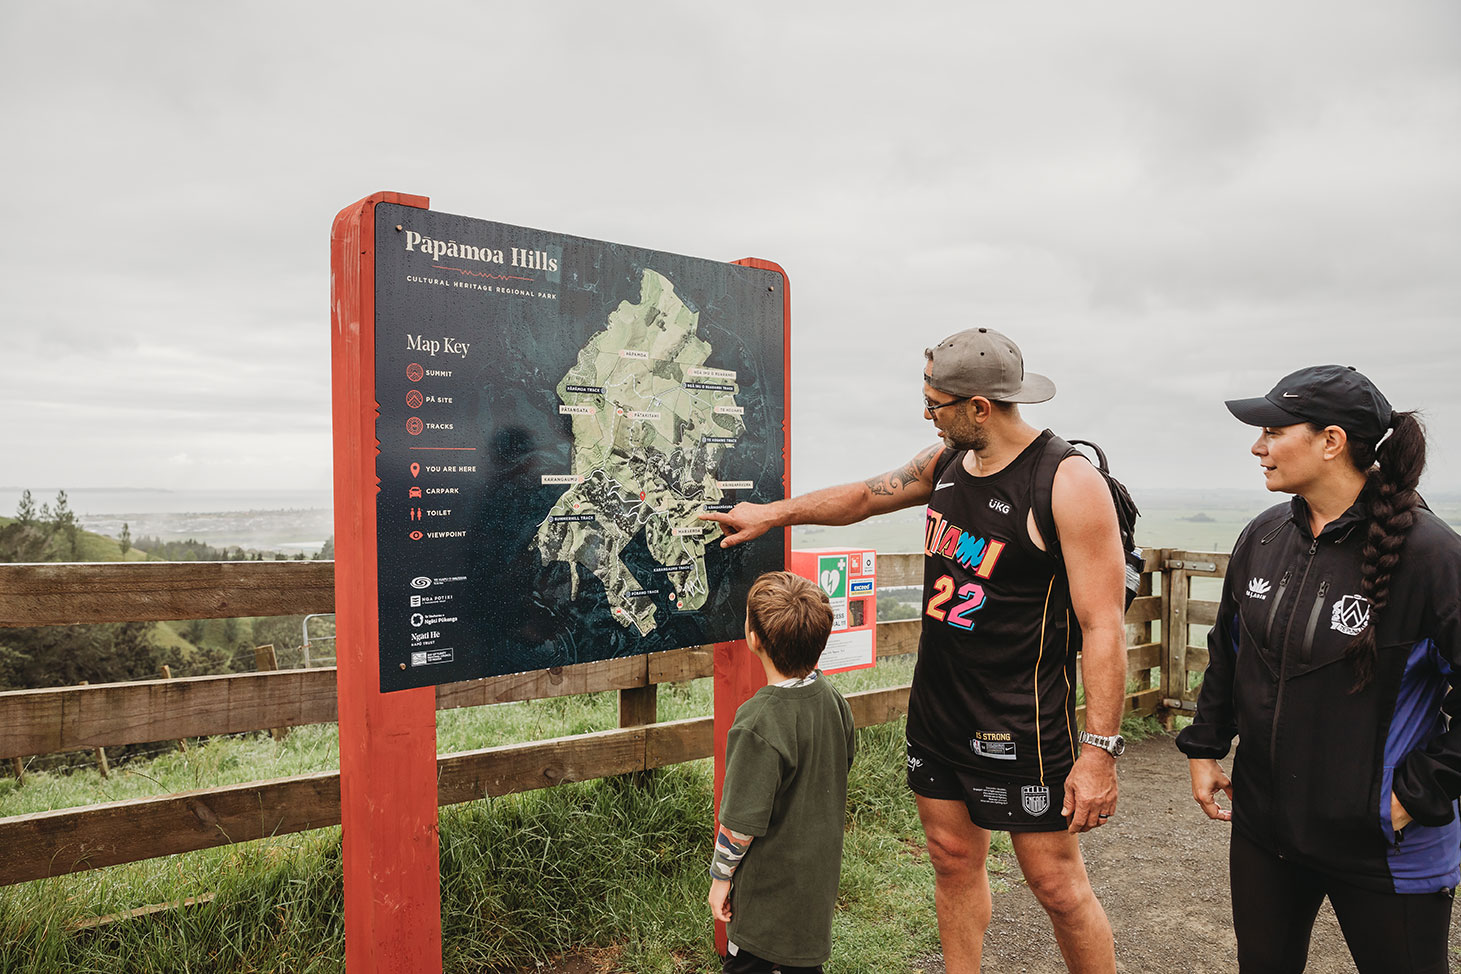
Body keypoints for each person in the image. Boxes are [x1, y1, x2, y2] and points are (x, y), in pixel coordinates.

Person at [701, 327, 1125, 974]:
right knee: (951, 860)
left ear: (978, 406)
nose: (926, 413)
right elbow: (863, 498)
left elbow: (1102, 627)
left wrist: (1097, 753)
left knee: (1057, 887)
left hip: (1021, 720)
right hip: (938, 709)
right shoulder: (945, 462)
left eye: (935, 402)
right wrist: (772, 514)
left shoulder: (1064, 483)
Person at [1176, 365, 1460, 973]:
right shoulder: (1263, 536)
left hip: (1384, 844)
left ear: (1331, 441)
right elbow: (1230, 650)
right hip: (1266, 831)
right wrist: (1204, 746)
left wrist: (1415, 794)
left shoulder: (1432, 556)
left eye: (1274, 431)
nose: (1258, 446)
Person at [708, 570, 855, 974]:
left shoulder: (757, 721)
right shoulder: (834, 702)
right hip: (815, 890)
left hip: (765, 902)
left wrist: (720, 878)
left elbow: (740, 825)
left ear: (754, 638)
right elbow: (841, 765)